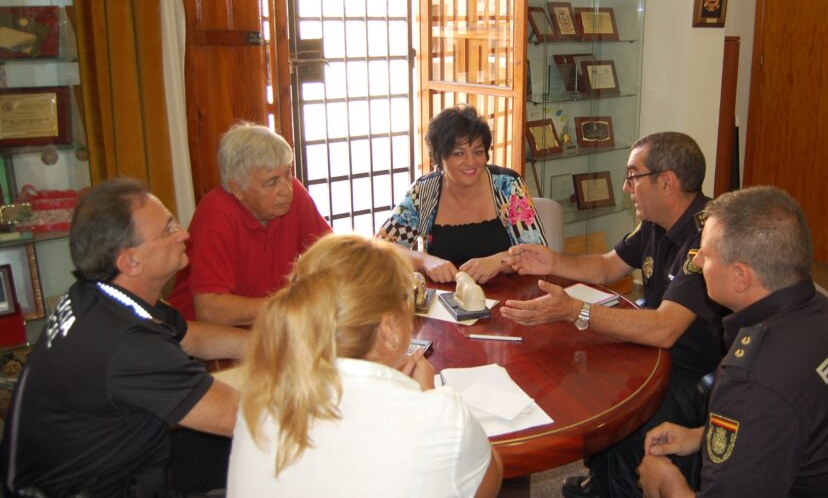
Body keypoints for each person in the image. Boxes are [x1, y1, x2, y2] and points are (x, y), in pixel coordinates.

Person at [501, 132, 726, 498]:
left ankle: (620, 489)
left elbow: (666, 329)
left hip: (693, 369)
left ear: (666, 183)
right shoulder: (655, 221)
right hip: (656, 349)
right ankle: (602, 481)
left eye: (633, 176)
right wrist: (552, 260)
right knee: (591, 380)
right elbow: (608, 266)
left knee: (626, 413)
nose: (625, 187)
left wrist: (576, 310)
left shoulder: (708, 236)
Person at [638, 186, 828, 497]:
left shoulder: (751, 380)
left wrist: (667, 485)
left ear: (740, 277)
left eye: (705, 254)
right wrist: (701, 435)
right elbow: (795, 417)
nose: (697, 261)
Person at [0, 179, 249, 497]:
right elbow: (239, 418)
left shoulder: (96, 294)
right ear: (130, 261)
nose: (184, 234)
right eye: (169, 229)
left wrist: (270, 345)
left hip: (114, 462)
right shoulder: (128, 343)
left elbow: (190, 336)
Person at [226, 233, 503, 497]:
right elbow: (488, 481)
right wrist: (429, 396)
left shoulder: (258, 400)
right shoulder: (440, 416)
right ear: (390, 328)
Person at [167, 121, 331, 325]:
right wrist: (294, 305)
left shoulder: (294, 193)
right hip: (203, 342)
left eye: (288, 173)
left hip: (266, 325)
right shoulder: (216, 216)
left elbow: (329, 252)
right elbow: (210, 310)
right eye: (271, 182)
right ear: (236, 188)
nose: (286, 189)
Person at [378, 105, 545, 284]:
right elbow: (381, 249)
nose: (471, 162)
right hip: (445, 302)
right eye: (459, 153)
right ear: (440, 157)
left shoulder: (508, 186)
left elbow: (537, 253)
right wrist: (424, 260)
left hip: (508, 298)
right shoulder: (424, 191)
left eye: (478, 152)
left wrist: (498, 262)